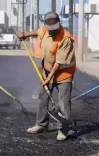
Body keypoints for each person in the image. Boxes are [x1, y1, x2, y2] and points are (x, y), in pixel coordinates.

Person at [18, 12, 76, 141]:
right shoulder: (44, 29)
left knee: (63, 102)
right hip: (47, 70)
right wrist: (26, 35)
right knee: (42, 98)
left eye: (54, 29)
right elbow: (38, 32)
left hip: (63, 73)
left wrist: (48, 79)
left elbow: (59, 62)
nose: (52, 32)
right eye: (50, 29)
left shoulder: (65, 38)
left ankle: (63, 130)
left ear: (59, 23)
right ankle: (41, 124)